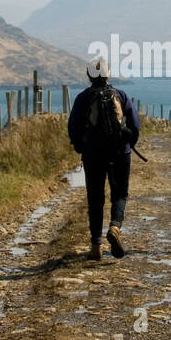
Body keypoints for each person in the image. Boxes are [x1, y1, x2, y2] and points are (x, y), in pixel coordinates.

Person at [67, 55, 141, 260]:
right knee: (120, 194)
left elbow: (73, 127)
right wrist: (128, 144)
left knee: (95, 197)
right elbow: (135, 126)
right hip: (120, 152)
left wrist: (81, 148)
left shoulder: (83, 98)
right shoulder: (121, 95)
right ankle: (115, 227)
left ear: (89, 75)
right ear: (108, 74)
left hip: (93, 154)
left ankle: (95, 246)